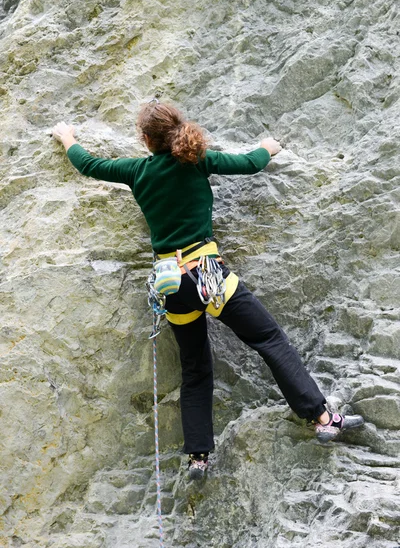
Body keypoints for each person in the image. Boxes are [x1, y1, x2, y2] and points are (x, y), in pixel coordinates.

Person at [52, 101, 364, 480]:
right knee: (268, 338)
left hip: (170, 283)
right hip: (208, 275)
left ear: (146, 140)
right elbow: (250, 163)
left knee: (195, 370)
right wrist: (270, 145)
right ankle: (322, 417)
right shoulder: (196, 159)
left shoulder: (136, 170)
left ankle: (198, 457)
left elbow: (89, 165)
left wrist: (67, 137)